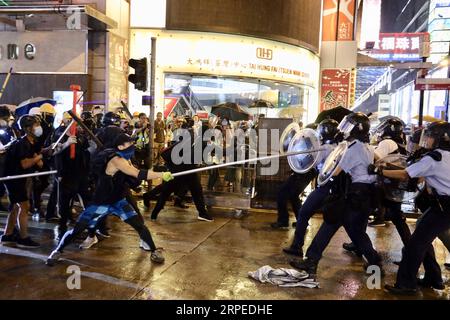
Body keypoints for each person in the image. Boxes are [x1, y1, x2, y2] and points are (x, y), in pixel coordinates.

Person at [46, 133, 174, 265]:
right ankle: (57, 251)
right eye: (129, 143)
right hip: (101, 202)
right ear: (120, 146)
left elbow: (132, 175)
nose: (132, 145)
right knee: (77, 230)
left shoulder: (126, 158)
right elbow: (138, 174)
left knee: (139, 225)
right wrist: (162, 174)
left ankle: (153, 250)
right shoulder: (116, 160)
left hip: (118, 200)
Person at [290, 112, 382, 275]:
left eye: (348, 126)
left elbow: (335, 171)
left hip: (355, 193)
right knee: (345, 228)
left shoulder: (353, 148)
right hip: (365, 193)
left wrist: (323, 169)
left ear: (356, 129)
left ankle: (312, 260)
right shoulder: (366, 146)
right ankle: (374, 261)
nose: (344, 130)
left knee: (340, 226)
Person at [383, 121, 450, 295]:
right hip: (441, 206)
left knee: (414, 245)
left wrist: (380, 171)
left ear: (440, 139)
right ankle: (433, 278)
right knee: (422, 240)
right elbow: (422, 177)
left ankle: (406, 284)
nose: (426, 139)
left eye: (430, 136)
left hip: (444, 208)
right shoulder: (444, 155)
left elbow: (407, 173)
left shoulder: (434, 158)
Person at [282, 119, 339, 255]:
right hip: (334, 187)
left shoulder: (324, 148)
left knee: (304, 214)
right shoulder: (338, 146)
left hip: (325, 186)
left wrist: (302, 148)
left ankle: (297, 247)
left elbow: (308, 162)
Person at [0, 115, 47, 248]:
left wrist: (44, 154)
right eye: (35, 125)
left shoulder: (32, 143)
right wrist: (39, 157)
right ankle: (23, 237)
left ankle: (7, 235)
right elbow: (25, 164)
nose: (38, 128)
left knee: (15, 207)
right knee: (24, 206)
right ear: (27, 128)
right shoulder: (21, 144)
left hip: (20, 178)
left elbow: (39, 163)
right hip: (14, 179)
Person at [271, 122, 322, 230]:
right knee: (293, 196)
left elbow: (306, 159)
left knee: (282, 194)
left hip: (304, 173)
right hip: (303, 173)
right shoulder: (309, 142)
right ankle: (301, 221)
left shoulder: (310, 143)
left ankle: (284, 221)